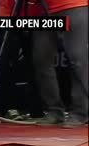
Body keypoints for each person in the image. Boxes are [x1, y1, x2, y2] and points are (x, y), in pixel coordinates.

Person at [31, 0, 88, 128]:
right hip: (43, 9)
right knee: (41, 59)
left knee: (77, 59)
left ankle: (80, 112)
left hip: (73, 5)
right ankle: (54, 110)